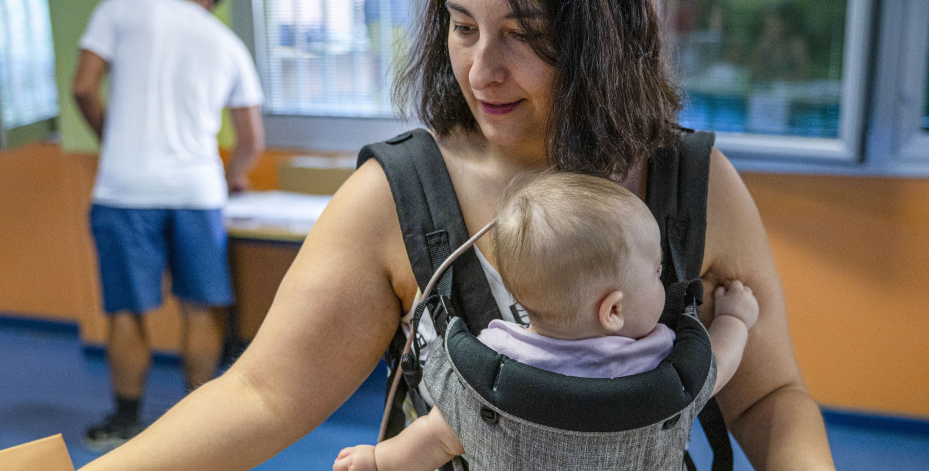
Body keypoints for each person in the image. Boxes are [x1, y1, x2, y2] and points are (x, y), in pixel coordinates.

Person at [80, 0, 835, 469]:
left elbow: (767, 395)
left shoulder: (694, 183)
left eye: (522, 33)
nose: (481, 70)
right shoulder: (397, 196)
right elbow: (261, 394)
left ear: (602, 32)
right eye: (463, 25)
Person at [332, 171, 760, 471]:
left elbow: (435, 437)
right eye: (655, 271)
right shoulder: (659, 361)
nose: (662, 279)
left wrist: (378, 461)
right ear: (613, 311)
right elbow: (719, 361)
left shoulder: (491, 368)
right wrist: (736, 318)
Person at [72, 0, 264, 453]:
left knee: (126, 309)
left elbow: (83, 87)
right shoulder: (227, 43)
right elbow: (252, 138)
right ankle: (199, 425)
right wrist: (233, 174)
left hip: (125, 190)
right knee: (201, 306)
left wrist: (113, 140)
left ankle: (124, 421)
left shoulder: (119, 11)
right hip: (197, 192)